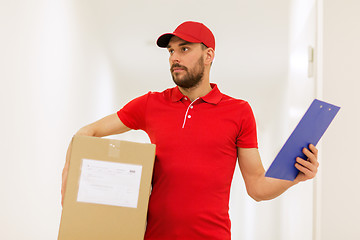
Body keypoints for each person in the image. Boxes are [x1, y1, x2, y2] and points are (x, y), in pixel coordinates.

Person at [61, 21, 319, 240]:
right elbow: (87, 133)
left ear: (208, 56)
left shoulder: (239, 112)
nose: (174, 57)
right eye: (171, 51)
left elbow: (257, 186)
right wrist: (70, 180)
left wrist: (294, 176)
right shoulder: (151, 104)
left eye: (184, 49)